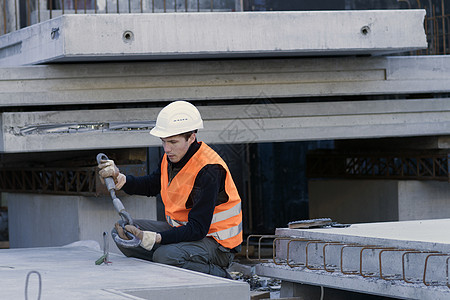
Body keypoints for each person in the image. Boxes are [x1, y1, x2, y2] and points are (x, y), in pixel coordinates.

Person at [98, 100, 243, 278]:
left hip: (217, 245)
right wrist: (122, 180)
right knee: (123, 231)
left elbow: (198, 228)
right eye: (164, 141)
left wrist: (157, 238)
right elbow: (152, 185)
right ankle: (170, 264)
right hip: (185, 232)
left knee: (164, 255)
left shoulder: (209, 169)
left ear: (191, 137)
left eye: (173, 142)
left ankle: (221, 276)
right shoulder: (171, 157)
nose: (167, 149)